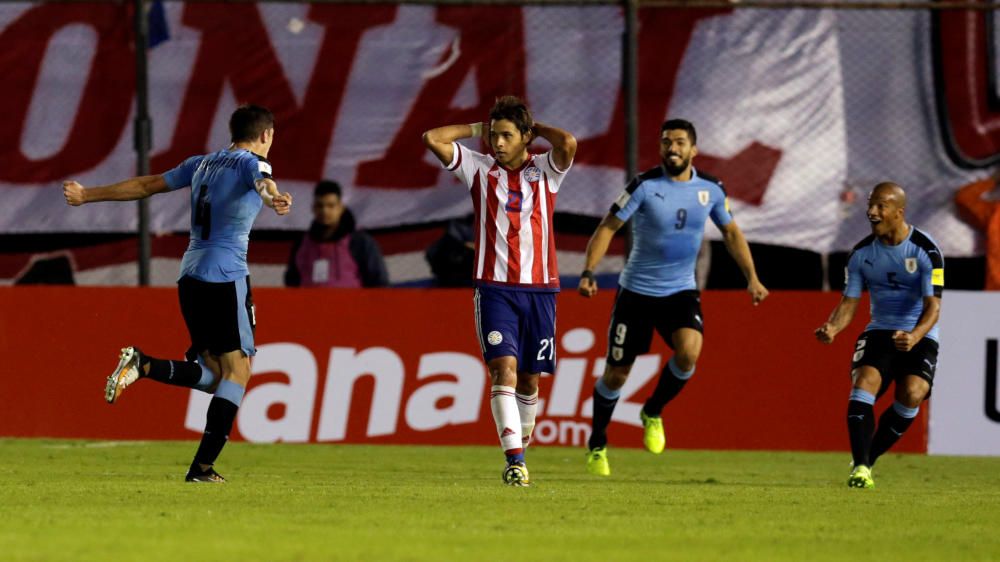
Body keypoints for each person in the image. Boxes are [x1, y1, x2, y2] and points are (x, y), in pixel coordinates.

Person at [63, 104, 292, 483]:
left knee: (216, 376)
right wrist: (274, 198)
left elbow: (147, 185)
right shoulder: (253, 163)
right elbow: (263, 183)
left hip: (190, 275)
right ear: (266, 135)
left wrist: (88, 195)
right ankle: (202, 469)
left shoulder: (201, 164)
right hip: (225, 275)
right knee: (239, 370)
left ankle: (144, 365)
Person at [578, 119, 768, 477]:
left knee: (689, 352)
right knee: (616, 376)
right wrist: (589, 271)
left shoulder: (710, 189)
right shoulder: (645, 186)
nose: (672, 148)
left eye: (679, 142)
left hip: (680, 290)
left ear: (693, 149)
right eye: (666, 142)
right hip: (636, 293)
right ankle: (598, 444)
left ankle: (652, 410)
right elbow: (608, 226)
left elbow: (731, 232)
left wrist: (752, 278)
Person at [422, 96, 577, 486]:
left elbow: (569, 143)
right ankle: (514, 460)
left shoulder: (546, 170)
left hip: (541, 290)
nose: (499, 143)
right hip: (494, 289)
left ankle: (521, 455)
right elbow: (433, 138)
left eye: (507, 135)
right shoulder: (479, 168)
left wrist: (534, 130)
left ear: (525, 137)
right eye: (495, 136)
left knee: (529, 380)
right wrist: (478, 129)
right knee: (502, 371)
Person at [815, 182, 943, 489]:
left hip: (919, 332)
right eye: (870, 205)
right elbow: (849, 302)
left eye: (880, 206)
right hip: (880, 331)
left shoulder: (926, 251)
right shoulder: (860, 254)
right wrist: (833, 327)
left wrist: (913, 337)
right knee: (865, 382)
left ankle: (867, 459)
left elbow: (933, 307)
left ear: (899, 212)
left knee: (912, 393)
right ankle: (860, 467)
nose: (872, 211)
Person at [284, 180, 388, 288]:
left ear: (340, 208)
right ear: (313, 208)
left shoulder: (360, 243)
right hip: (309, 304)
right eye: (320, 206)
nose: (325, 211)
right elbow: (292, 283)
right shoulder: (302, 244)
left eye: (331, 206)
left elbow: (379, 284)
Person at [954, 176, 1000, 290]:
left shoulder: (996, 214)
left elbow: (964, 198)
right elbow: (964, 199)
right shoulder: (995, 214)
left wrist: (994, 180)